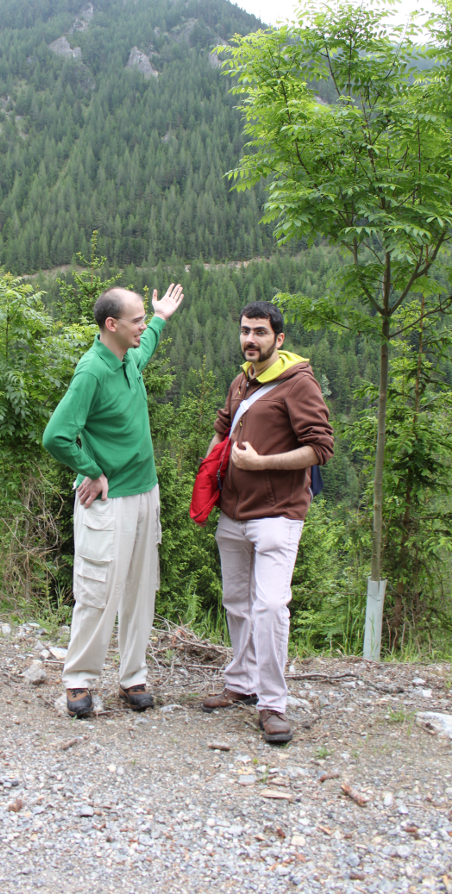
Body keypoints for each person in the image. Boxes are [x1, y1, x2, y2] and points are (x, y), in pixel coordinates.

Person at [43, 284, 184, 718]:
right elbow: (56, 435)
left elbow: (147, 348)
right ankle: (78, 681)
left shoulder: (127, 359)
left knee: (141, 589)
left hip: (146, 492)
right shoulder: (92, 371)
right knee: (99, 589)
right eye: (137, 319)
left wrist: (161, 317)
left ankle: (132, 677)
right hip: (111, 500)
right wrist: (91, 470)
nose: (143, 326)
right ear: (112, 325)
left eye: (144, 319)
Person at [202, 301, 333, 743]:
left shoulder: (299, 384)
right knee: (237, 603)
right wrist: (210, 466)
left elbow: (320, 448)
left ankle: (273, 704)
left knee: (271, 606)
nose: (250, 339)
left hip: (278, 515)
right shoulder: (242, 380)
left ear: (279, 339)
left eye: (260, 332)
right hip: (233, 512)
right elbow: (223, 426)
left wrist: (263, 465)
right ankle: (241, 683)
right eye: (245, 331)